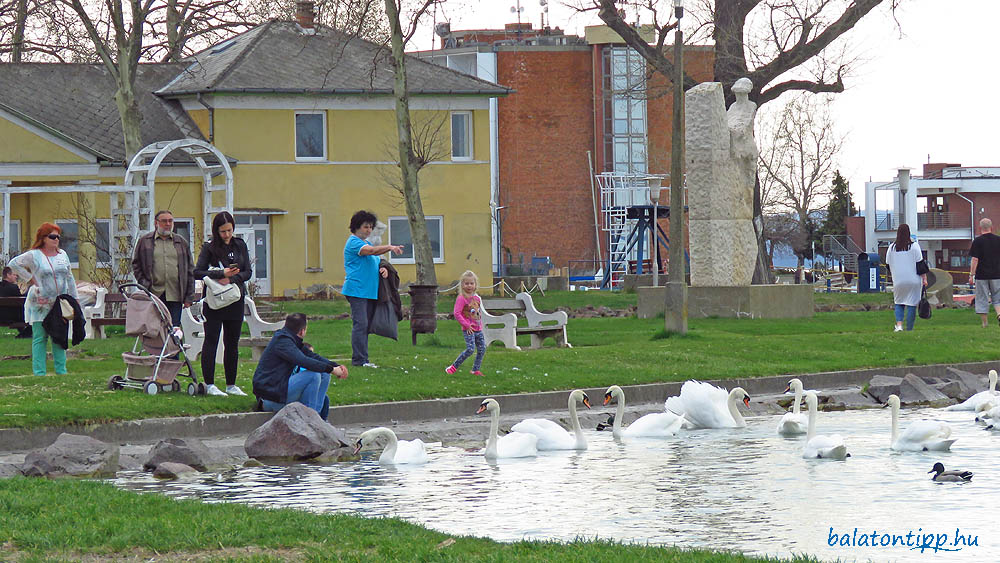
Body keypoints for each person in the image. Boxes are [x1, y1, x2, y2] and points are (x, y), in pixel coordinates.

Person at [8, 223, 79, 375]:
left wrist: (74, 298)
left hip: (59, 302)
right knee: (40, 337)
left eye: (58, 236)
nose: (56, 239)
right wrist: (30, 278)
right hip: (39, 302)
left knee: (59, 336)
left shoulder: (63, 255)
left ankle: (61, 371)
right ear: (43, 238)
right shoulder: (34, 255)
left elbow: (69, 277)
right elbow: (13, 264)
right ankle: (39, 372)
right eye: (53, 236)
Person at [194, 211, 251, 396]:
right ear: (216, 231)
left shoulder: (240, 245)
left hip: (234, 298)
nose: (226, 235)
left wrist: (234, 279)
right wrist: (221, 274)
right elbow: (198, 272)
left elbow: (248, 271)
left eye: (229, 230)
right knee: (211, 340)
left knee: (232, 342)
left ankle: (231, 384)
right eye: (223, 231)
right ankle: (209, 384)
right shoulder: (209, 248)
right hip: (215, 301)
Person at [252, 312, 347, 420]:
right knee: (313, 375)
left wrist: (336, 366)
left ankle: (315, 417)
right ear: (302, 331)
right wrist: (332, 370)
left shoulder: (289, 339)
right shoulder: (283, 342)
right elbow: (303, 361)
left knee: (324, 374)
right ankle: (310, 421)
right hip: (270, 399)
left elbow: (311, 355)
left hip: (279, 393)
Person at [342, 210, 403, 367]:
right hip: (357, 290)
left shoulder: (366, 243)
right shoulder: (354, 243)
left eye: (370, 227)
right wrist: (389, 247)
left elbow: (375, 260)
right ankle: (359, 360)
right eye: (365, 227)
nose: (368, 230)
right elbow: (371, 252)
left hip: (368, 291)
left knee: (365, 325)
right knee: (360, 324)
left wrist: (382, 269)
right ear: (356, 227)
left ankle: (364, 359)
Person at [131, 210, 196, 327]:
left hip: (176, 294)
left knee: (173, 328)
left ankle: (173, 346)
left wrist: (189, 296)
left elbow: (190, 270)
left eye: (170, 221)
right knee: (154, 328)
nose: (168, 224)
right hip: (154, 293)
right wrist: (144, 283)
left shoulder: (181, 243)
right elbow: (136, 265)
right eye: (164, 221)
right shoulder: (145, 242)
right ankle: (154, 346)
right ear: (156, 223)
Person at [885, 224, 927, 332]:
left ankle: (899, 326)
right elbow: (920, 265)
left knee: (899, 302)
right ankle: (909, 329)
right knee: (912, 304)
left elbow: (888, 265)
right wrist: (924, 279)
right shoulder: (914, 246)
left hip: (899, 281)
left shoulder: (891, 248)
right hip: (914, 281)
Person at [445, 270, 487, 376]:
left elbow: (477, 312)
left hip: (478, 329)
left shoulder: (477, 298)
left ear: (475, 284)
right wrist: (467, 325)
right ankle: (453, 367)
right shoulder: (461, 298)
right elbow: (457, 313)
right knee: (470, 349)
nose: (469, 286)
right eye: (466, 283)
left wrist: (479, 325)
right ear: (462, 285)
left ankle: (475, 370)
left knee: (482, 349)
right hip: (468, 329)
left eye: (471, 283)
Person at [969, 217, 1000, 328]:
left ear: (980, 228)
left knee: (982, 298)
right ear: (992, 227)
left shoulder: (977, 241)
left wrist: (971, 275)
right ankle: (999, 314)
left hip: (981, 276)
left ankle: (985, 323)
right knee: (997, 297)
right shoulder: (998, 240)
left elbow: (975, 259)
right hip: (997, 274)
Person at [0, 266, 31, 338]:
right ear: (8, 275)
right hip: (12, 317)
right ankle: (25, 334)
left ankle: (23, 333)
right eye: (14, 275)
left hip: (1, 316)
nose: (16, 277)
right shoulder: (13, 288)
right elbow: (23, 301)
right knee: (31, 313)